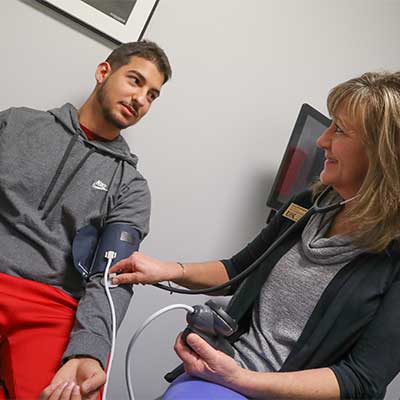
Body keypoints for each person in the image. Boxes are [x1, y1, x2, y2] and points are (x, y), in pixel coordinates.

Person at [110, 71, 400, 399]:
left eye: (340, 130)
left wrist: (238, 380)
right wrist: (169, 270)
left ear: (382, 154)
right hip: (226, 372)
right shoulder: (307, 205)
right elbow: (239, 270)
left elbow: (361, 380)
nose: (322, 140)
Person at [0, 40, 171, 400]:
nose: (141, 98)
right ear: (103, 72)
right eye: (135, 81)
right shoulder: (15, 125)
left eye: (152, 95)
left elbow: (112, 277)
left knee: (76, 390)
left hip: (52, 304)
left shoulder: (131, 186)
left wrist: (89, 349)